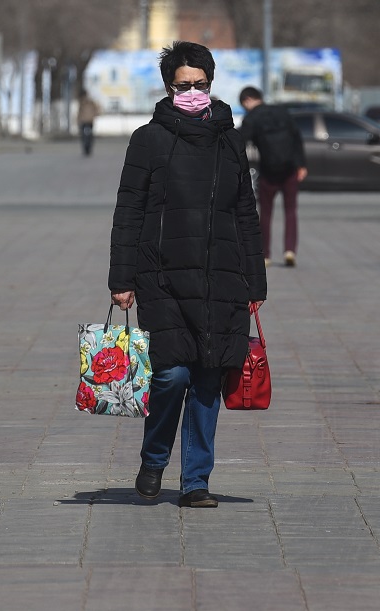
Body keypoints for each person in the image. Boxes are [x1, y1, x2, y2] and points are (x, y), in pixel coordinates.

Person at [108, 41, 268, 508]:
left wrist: (254, 280)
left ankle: (196, 481)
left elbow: (246, 213)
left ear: (211, 85)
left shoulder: (230, 141)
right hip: (162, 278)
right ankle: (154, 458)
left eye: (200, 84)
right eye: (184, 86)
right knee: (172, 375)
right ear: (168, 88)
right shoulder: (148, 139)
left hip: (221, 279)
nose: (193, 92)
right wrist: (122, 279)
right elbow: (129, 212)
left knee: (207, 380)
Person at [239, 86, 307, 267]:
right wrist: (301, 164)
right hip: (290, 169)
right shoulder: (282, 112)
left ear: (247, 100)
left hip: (268, 171)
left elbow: (240, 142)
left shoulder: (252, 118)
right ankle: (290, 250)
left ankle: (265, 255)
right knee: (290, 211)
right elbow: (296, 138)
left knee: (266, 213)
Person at [77, 91, 100, 157]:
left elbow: (96, 109)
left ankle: (88, 148)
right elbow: (79, 112)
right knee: (84, 136)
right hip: (84, 121)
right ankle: (86, 148)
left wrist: (94, 115)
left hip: (89, 121)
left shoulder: (90, 102)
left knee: (88, 136)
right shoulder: (82, 103)